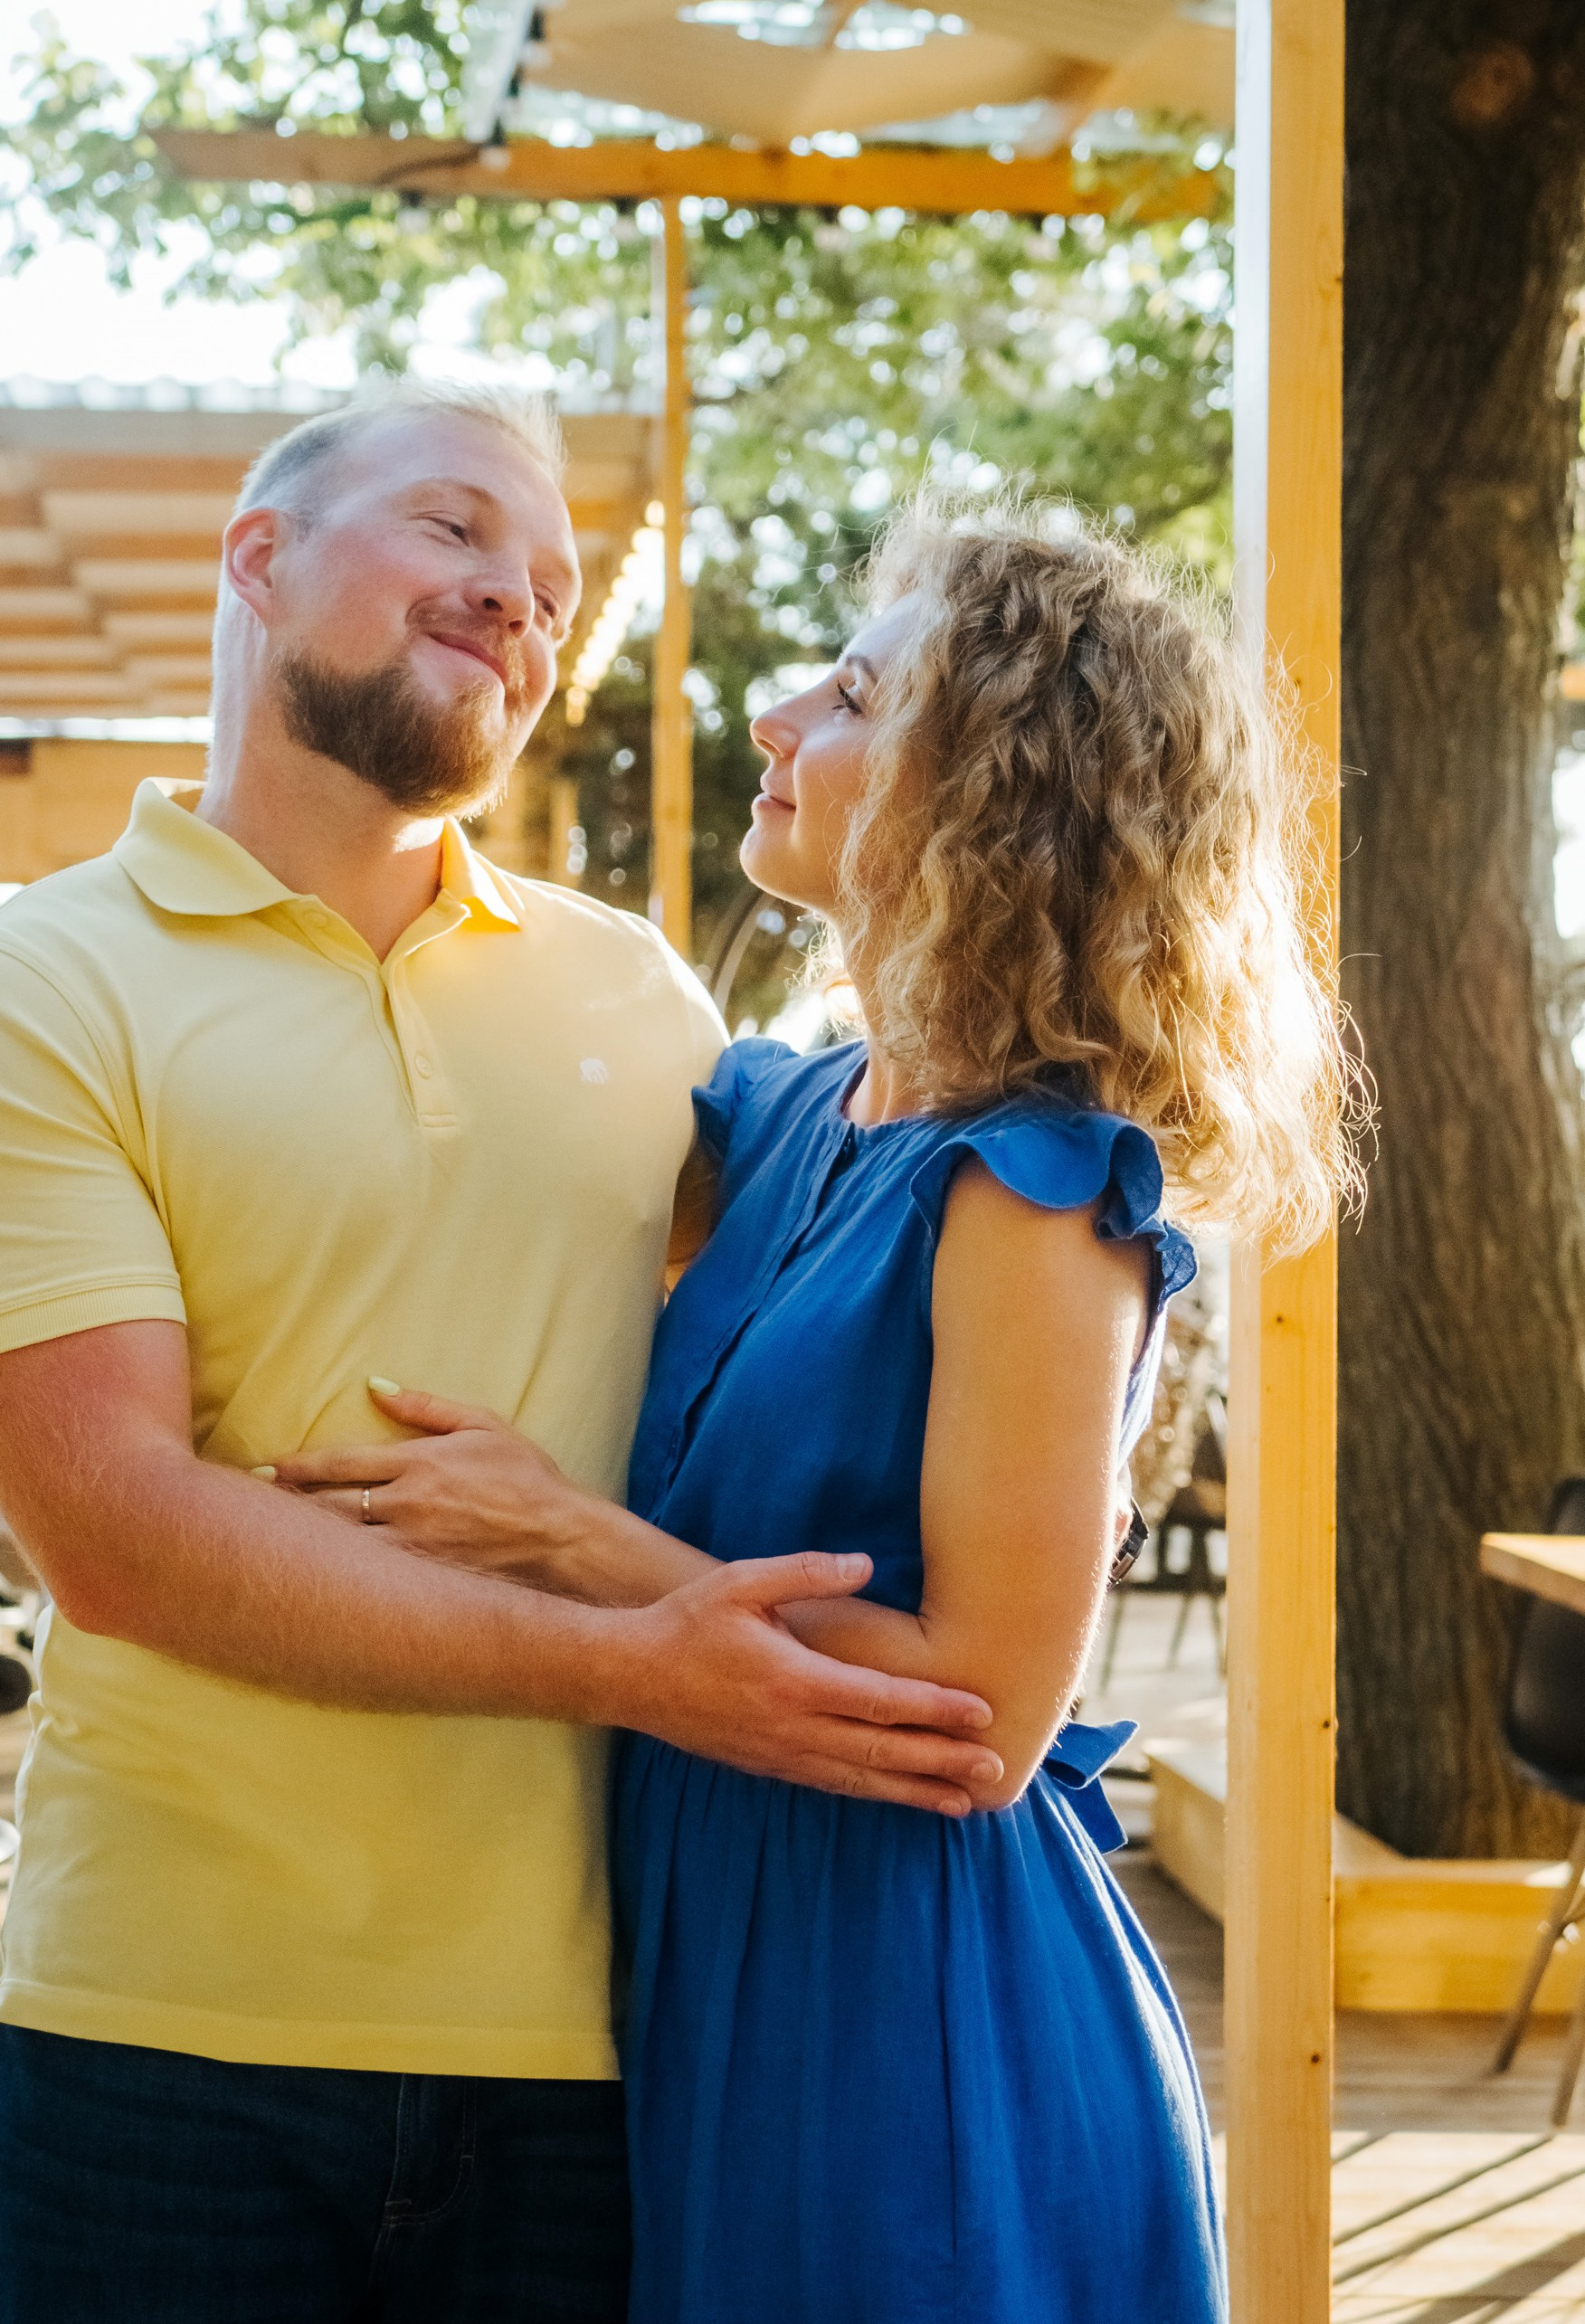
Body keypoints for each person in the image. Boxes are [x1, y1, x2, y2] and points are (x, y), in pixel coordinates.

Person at [0, 383, 1009, 2324]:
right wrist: (639, 1662)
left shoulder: (635, 993)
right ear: (259, 557)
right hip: (167, 2025)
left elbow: (858, 1293)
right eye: (456, 531)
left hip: (602, 2035)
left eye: (556, 589)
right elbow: (121, 1533)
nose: (518, 600)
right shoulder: (30, 988)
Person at [271, 498, 1360, 2322]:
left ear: (990, 794)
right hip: (708, 1945)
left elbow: (984, 1708)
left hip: (904, 1994)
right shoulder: (780, 1117)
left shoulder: (1031, 1189)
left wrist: (569, 1537)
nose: (778, 712)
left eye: (853, 695)